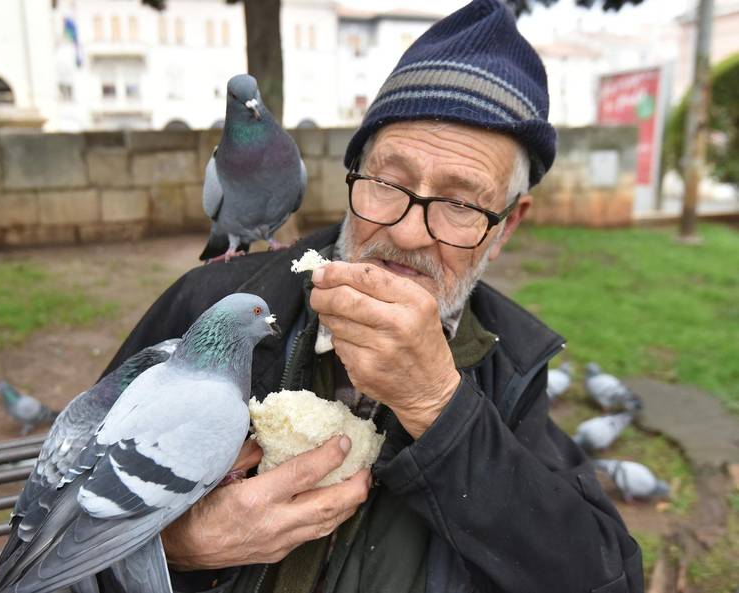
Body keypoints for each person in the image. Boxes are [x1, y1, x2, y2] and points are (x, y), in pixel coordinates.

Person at [97, 0, 642, 591]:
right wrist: (171, 545)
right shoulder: (213, 307)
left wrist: (441, 407)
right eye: (387, 182)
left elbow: (604, 575)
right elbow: (49, 526)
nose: (407, 233)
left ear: (506, 227)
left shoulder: (508, 365)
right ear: (352, 175)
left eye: (461, 203)